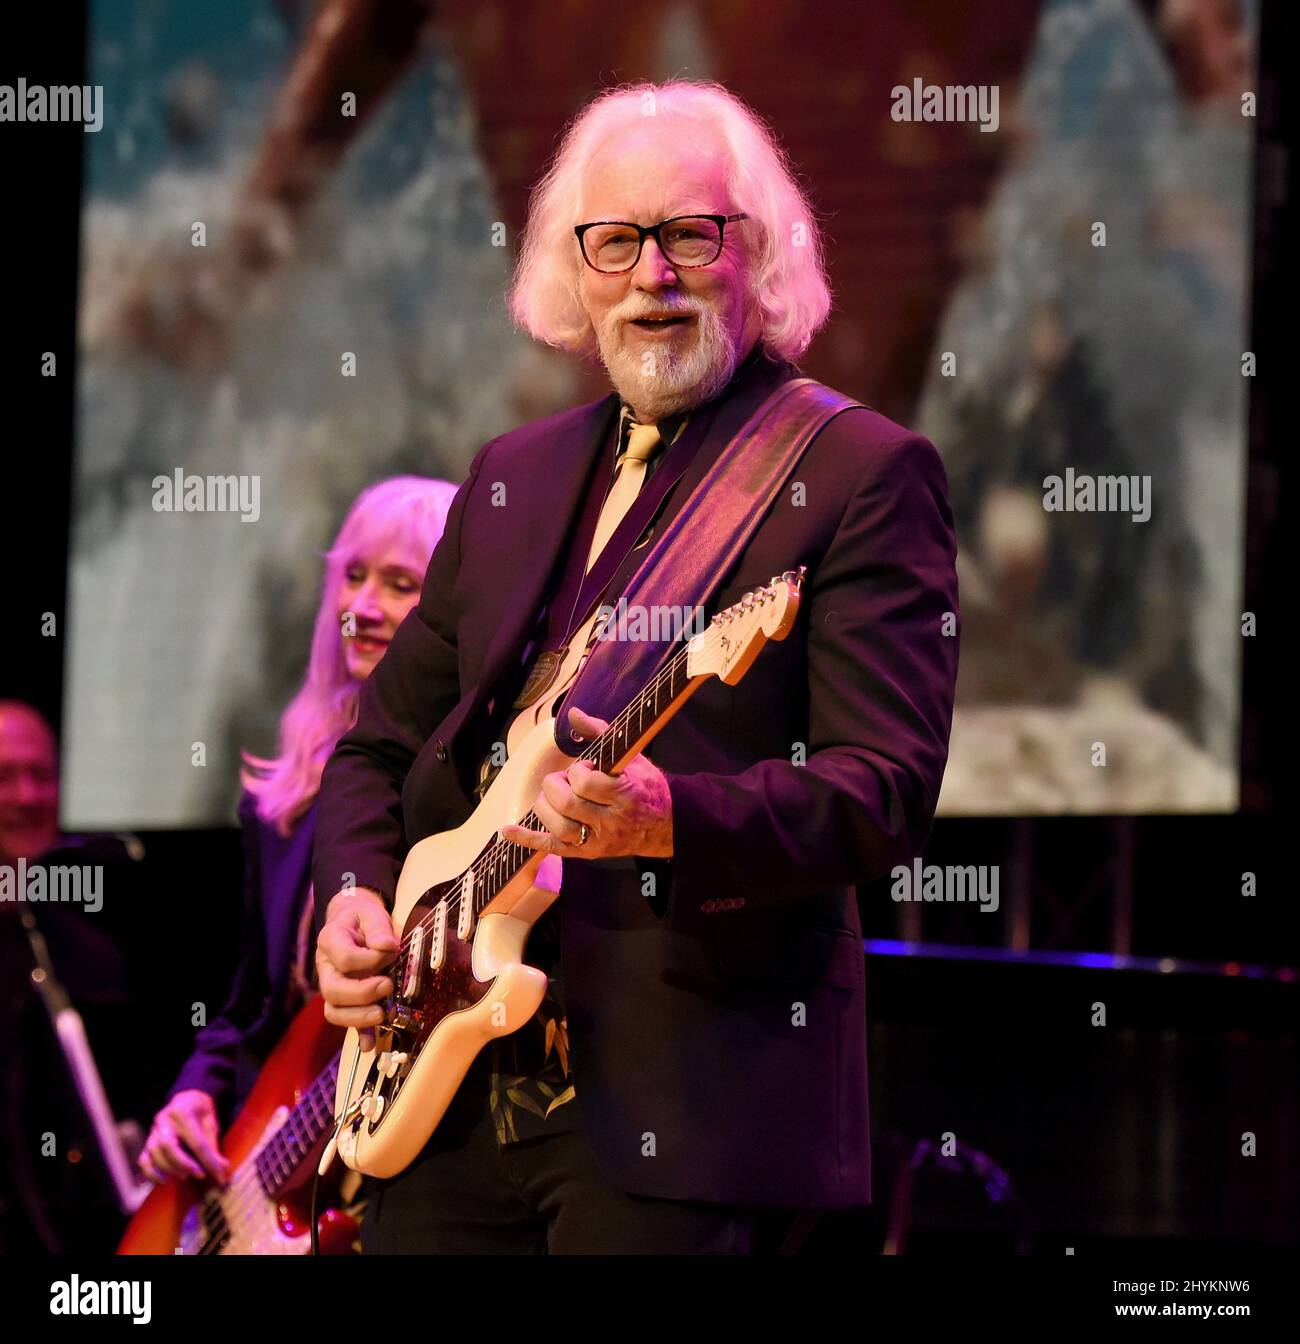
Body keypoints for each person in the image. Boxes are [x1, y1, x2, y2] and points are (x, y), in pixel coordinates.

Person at [312, 79, 960, 1254]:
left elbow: (883, 790)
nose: (650, 274)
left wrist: (675, 821)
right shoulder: (511, 473)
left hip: (684, 1106)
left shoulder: (861, 471)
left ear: (754, 255)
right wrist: (355, 894)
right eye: (614, 241)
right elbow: (377, 745)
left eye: (689, 234)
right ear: (575, 266)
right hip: (444, 1099)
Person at [139, 476, 457, 1184]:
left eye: (400, 583)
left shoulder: (469, 788)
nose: (362, 607)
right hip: (285, 1160)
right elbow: (250, 1006)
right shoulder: (280, 800)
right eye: (352, 576)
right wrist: (195, 1091)